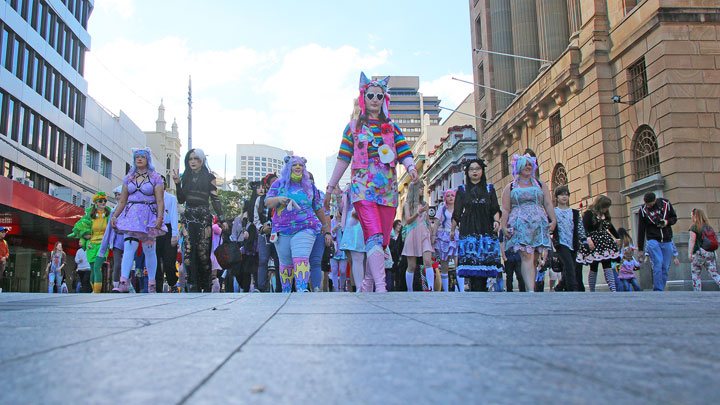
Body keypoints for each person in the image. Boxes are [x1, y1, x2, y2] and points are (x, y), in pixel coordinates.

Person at [325, 73, 419, 293]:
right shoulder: (353, 128)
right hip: (362, 188)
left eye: (379, 95)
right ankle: (381, 287)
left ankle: (367, 283)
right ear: (363, 98)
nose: (375, 99)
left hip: (387, 190)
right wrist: (330, 188)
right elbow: (343, 158)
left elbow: (404, 151)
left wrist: (412, 168)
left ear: (383, 98)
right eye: (370, 95)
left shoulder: (392, 128)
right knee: (374, 234)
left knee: (382, 240)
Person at [265, 156, 332, 293]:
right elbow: (267, 202)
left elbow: (318, 208)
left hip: (306, 227)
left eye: (300, 165)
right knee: (285, 262)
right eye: (294, 165)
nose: (297, 167)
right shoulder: (278, 184)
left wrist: (325, 229)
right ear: (288, 168)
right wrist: (278, 199)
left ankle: (302, 290)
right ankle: (286, 292)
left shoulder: (310, 186)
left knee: (301, 256)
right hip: (282, 229)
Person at [112, 148, 167, 293]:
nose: (140, 159)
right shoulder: (128, 177)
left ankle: (151, 284)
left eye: (143, 157)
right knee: (129, 247)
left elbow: (160, 200)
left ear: (148, 159)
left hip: (149, 217)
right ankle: (123, 281)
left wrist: (160, 218)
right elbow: (122, 201)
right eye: (137, 157)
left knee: (149, 250)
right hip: (131, 217)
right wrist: (115, 216)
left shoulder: (156, 177)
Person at [500, 154, 556, 292]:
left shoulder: (540, 184)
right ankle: (530, 290)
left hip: (538, 222)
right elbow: (505, 208)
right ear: (518, 167)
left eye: (530, 164)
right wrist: (503, 226)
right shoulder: (510, 187)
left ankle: (531, 286)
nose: (528, 167)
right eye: (525, 164)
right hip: (520, 223)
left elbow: (548, 203)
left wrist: (553, 219)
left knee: (535, 257)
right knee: (526, 255)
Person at [173, 149, 226, 293]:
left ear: (202, 160)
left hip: (203, 217)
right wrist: (178, 184)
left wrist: (221, 218)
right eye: (190, 159)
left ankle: (206, 284)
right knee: (189, 253)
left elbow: (215, 199)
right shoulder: (186, 177)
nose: (193, 161)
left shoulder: (209, 177)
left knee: (203, 253)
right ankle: (192, 283)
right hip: (189, 216)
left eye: (196, 158)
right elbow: (181, 199)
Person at [453, 159, 503, 292]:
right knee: (472, 264)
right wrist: (452, 231)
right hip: (469, 229)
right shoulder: (462, 190)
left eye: (477, 168)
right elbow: (457, 213)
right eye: (471, 169)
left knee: (485, 263)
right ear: (467, 172)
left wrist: (497, 222)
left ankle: (483, 287)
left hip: (486, 228)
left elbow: (495, 208)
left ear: (482, 171)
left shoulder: (489, 189)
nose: (474, 171)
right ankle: (473, 287)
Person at [576, 195, 621, 292]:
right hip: (594, 242)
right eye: (605, 207)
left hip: (605, 243)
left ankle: (613, 289)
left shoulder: (604, 216)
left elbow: (610, 227)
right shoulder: (589, 214)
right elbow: (585, 227)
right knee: (594, 266)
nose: (606, 209)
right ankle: (592, 290)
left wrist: (617, 237)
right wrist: (588, 239)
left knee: (607, 265)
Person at [552, 185, 589, 292]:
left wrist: (584, 240)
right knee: (569, 266)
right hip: (561, 243)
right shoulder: (554, 212)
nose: (564, 197)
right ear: (556, 197)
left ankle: (559, 287)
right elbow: (549, 227)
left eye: (566, 195)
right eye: (561, 195)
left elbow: (580, 227)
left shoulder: (574, 212)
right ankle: (573, 289)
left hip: (574, 243)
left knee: (571, 266)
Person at [637, 192, 677, 291]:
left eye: (650, 204)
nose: (648, 206)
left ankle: (661, 287)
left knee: (665, 266)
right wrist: (640, 249)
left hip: (667, 239)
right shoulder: (642, 210)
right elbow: (641, 230)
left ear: (655, 200)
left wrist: (666, 222)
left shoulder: (666, 204)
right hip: (652, 239)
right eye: (647, 204)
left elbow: (674, 218)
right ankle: (658, 289)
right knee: (658, 262)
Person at [402, 181, 434, 291]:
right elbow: (408, 220)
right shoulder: (407, 204)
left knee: (428, 261)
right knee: (412, 265)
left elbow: (428, 221)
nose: (422, 190)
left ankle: (431, 288)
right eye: (420, 188)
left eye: (422, 188)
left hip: (424, 233)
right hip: (413, 233)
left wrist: (432, 235)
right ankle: (410, 289)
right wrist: (418, 212)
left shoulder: (425, 204)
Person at [255, 173, 281, 292]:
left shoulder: (282, 197)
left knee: (279, 260)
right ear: (267, 185)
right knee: (263, 260)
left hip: (279, 234)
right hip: (264, 234)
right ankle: (261, 287)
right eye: (273, 182)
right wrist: (262, 228)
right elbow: (255, 218)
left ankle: (281, 288)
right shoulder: (259, 199)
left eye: (277, 181)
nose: (276, 183)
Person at [432, 189, 459, 292]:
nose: (451, 197)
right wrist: (434, 235)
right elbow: (437, 221)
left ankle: (460, 288)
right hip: (445, 237)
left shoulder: (458, 208)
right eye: (448, 196)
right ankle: (446, 290)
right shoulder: (442, 208)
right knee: (444, 264)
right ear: (445, 198)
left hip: (456, 235)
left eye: (452, 195)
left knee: (458, 262)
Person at [688, 208, 720, 291]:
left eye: (692, 215)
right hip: (710, 252)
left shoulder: (694, 227)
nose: (691, 217)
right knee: (713, 273)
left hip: (699, 253)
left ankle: (697, 291)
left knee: (696, 273)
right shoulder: (709, 227)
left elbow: (692, 240)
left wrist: (690, 253)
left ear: (695, 216)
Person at [156, 176, 179, 292]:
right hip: (154, 229)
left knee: (169, 261)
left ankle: (172, 283)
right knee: (155, 260)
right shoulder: (150, 198)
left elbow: (174, 216)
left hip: (168, 229)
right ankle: (156, 286)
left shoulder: (171, 198)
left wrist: (174, 234)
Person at [101, 186, 126, 291]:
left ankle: (126, 284)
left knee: (127, 264)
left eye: (119, 194)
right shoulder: (113, 210)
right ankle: (116, 286)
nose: (117, 196)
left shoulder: (129, 208)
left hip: (127, 239)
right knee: (117, 264)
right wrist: (104, 246)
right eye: (116, 194)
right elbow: (108, 229)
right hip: (116, 241)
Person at [616, 228, 641, 292]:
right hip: (629, 273)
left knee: (625, 285)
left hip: (624, 272)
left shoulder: (620, 241)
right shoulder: (630, 240)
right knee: (633, 285)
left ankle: (626, 292)